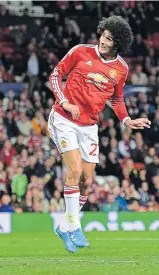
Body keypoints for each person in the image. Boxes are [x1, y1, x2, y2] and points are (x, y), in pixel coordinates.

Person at [48, 16, 151, 253]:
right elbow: (55, 75)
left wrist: (126, 120)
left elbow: (116, 98)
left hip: (89, 126)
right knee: (73, 170)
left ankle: (65, 225)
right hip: (64, 119)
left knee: (86, 181)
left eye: (110, 39)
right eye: (104, 36)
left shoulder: (121, 69)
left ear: (118, 44)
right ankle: (74, 225)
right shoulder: (80, 52)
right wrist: (63, 102)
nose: (104, 41)